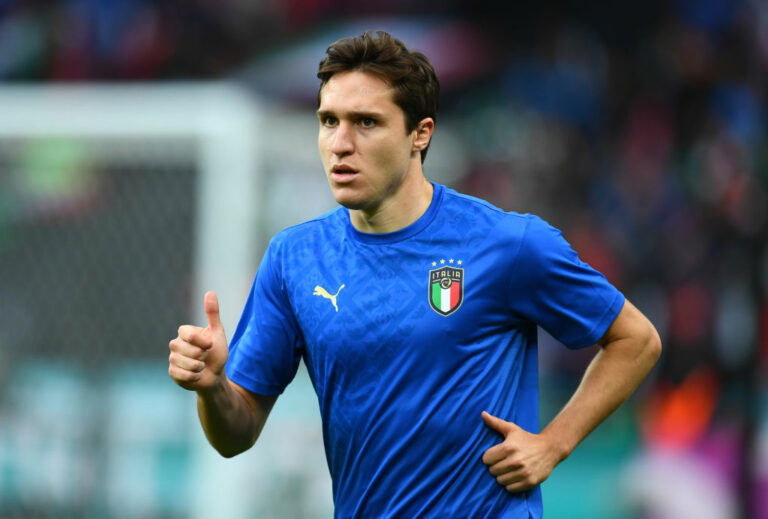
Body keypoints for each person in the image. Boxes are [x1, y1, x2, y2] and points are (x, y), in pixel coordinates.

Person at [168, 30, 661, 518]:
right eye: (328, 121)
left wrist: (553, 443)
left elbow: (635, 340)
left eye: (366, 122)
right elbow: (235, 435)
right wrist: (212, 388)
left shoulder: (508, 244)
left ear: (419, 134)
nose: (340, 144)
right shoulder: (294, 258)